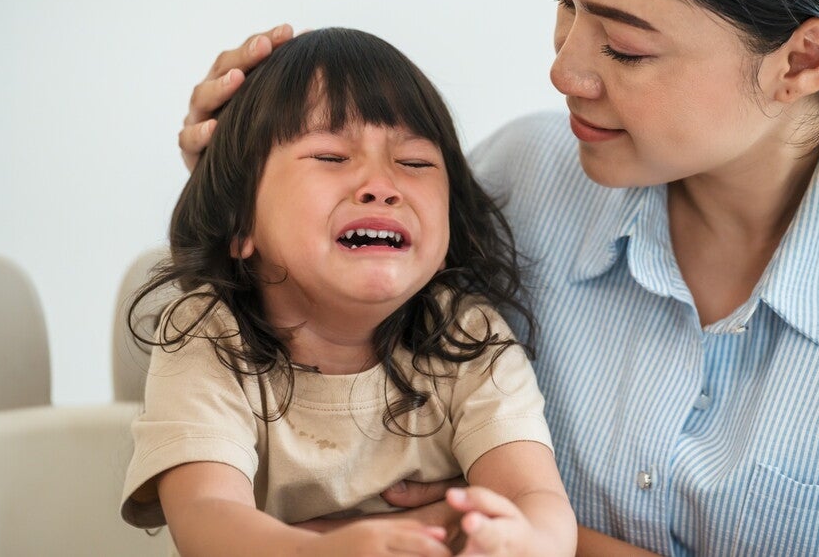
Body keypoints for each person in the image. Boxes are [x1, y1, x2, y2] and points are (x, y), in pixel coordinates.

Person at [179, 0, 819, 555]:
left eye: (623, 47)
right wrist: (243, 184)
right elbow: (267, 343)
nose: (563, 68)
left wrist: (548, 538)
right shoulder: (519, 177)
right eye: (565, 2)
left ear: (801, 61)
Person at [122, 27, 577, 557]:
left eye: (415, 162)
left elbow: (533, 495)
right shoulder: (207, 336)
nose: (382, 184)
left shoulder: (468, 338)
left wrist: (526, 542)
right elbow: (206, 519)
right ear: (239, 220)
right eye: (332, 157)